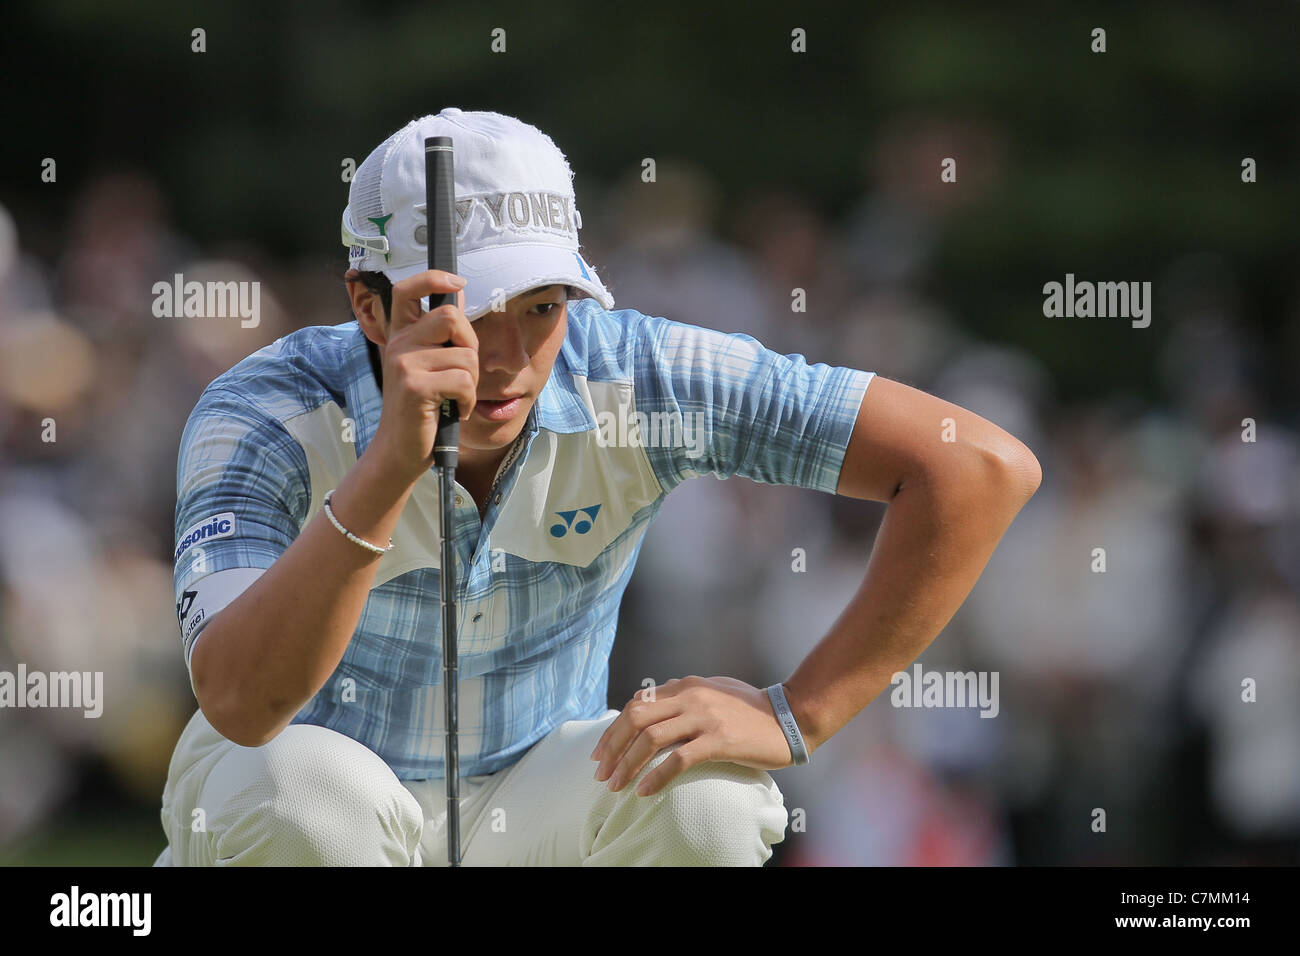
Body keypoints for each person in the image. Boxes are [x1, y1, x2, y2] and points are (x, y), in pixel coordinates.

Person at [154, 108, 1042, 866]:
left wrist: (797, 713)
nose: (501, 357)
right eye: (462, 312)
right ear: (368, 304)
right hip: (288, 774)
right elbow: (241, 703)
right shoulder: (264, 410)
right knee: (314, 796)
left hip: (535, 784)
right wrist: (390, 462)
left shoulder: (638, 374)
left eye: (540, 307)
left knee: (711, 801)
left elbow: (977, 466)